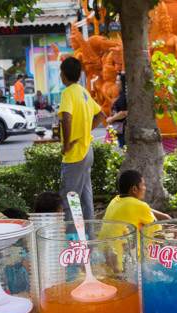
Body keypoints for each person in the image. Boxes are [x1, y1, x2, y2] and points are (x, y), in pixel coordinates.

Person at [58, 57, 104, 221]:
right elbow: (100, 114)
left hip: (75, 154)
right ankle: (88, 237)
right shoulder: (83, 92)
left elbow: (66, 117)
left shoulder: (68, 93)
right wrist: (85, 130)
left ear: (63, 75)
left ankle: (73, 239)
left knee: (70, 199)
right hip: (87, 151)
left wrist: (67, 143)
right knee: (85, 198)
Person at [106, 72, 128, 148]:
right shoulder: (122, 95)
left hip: (124, 131)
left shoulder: (125, 96)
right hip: (120, 131)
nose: (116, 82)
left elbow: (125, 113)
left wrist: (111, 119)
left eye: (118, 80)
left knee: (124, 150)